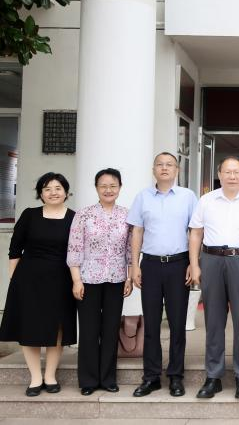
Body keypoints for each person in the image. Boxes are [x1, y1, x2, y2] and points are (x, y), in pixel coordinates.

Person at [188, 156, 239, 399]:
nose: (232, 176)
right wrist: (195, 264)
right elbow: (196, 234)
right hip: (212, 260)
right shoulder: (206, 200)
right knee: (213, 321)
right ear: (220, 174)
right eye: (227, 172)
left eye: (236, 172)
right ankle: (213, 376)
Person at [127, 152, 198, 398]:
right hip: (151, 265)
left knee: (178, 324)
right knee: (152, 323)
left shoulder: (188, 197)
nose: (164, 168)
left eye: (169, 165)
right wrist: (134, 266)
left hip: (179, 265)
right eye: (160, 164)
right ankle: (151, 377)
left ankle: (176, 376)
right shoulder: (143, 197)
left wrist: (193, 263)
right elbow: (137, 232)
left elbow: (195, 232)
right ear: (153, 170)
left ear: (177, 170)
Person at [0, 172, 76, 396]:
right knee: (29, 327)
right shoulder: (29, 215)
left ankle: (50, 376)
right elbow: (15, 248)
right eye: (47, 189)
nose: (53, 193)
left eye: (58, 188)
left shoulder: (75, 218)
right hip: (28, 279)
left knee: (57, 328)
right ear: (41, 194)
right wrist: (14, 279)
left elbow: (78, 251)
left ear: (66, 192)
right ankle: (35, 378)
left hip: (61, 280)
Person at [67, 168, 133, 396]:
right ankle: (88, 380)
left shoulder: (127, 215)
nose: (108, 190)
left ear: (120, 188)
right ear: (96, 188)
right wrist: (76, 280)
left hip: (116, 278)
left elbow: (130, 250)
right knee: (88, 330)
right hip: (88, 279)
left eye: (113, 186)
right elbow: (74, 249)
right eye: (103, 186)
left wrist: (129, 276)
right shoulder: (83, 215)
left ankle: (108, 378)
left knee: (110, 329)